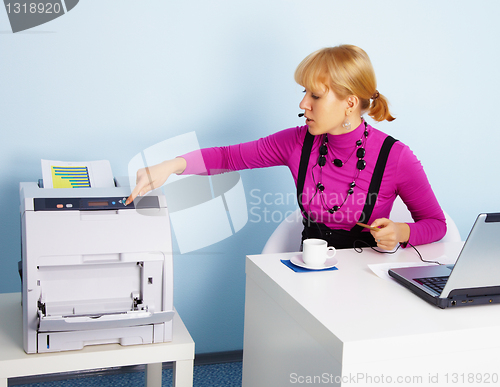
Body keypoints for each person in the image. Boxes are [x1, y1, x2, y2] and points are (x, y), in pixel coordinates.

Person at [127, 44, 446, 250]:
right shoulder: (297, 142)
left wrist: (402, 232)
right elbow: (227, 156)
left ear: (350, 103)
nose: (303, 103)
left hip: (366, 280)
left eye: (315, 96)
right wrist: (169, 166)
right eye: (304, 92)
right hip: (310, 274)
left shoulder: (396, 157)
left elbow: (436, 224)